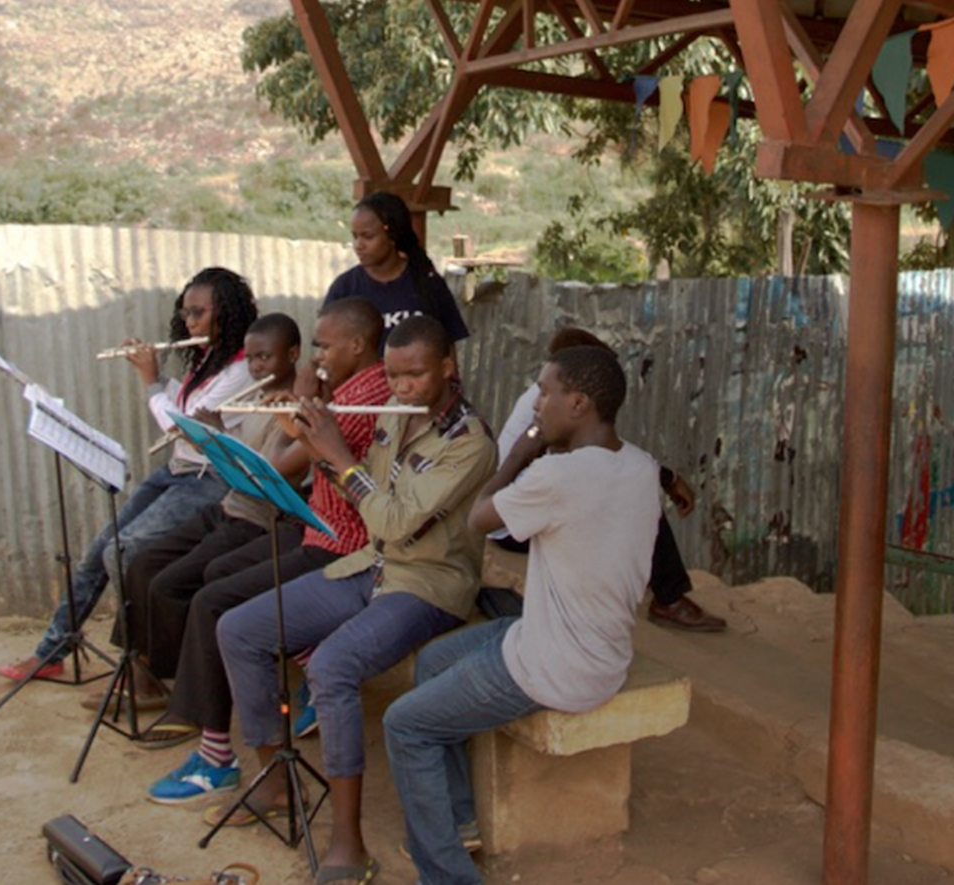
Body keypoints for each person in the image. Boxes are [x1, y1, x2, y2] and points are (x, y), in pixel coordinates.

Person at [210, 316, 495, 885]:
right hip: (373, 564)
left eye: (414, 375)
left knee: (335, 665)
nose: (402, 388)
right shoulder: (393, 411)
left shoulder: (472, 443)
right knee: (239, 629)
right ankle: (274, 777)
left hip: (429, 584)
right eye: (393, 376)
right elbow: (365, 497)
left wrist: (340, 454)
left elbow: (393, 518)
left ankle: (348, 841)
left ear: (447, 367)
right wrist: (313, 443)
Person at [384, 343, 662, 885]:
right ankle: (460, 817)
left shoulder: (555, 478)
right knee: (435, 661)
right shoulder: (640, 466)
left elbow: (479, 520)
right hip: (597, 647)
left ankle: (446, 877)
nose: (535, 405)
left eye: (545, 392)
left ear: (578, 403)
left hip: (555, 666)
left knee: (405, 725)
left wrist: (518, 455)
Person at [144, 298, 391, 784]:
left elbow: (282, 470)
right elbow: (301, 462)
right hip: (318, 529)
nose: (316, 356)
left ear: (358, 345)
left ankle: (217, 755)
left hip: (340, 545)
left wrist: (299, 403)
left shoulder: (356, 401)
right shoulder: (345, 391)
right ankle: (280, 676)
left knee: (216, 603)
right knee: (216, 581)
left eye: (322, 345)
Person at [0, 267, 258, 681]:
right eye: (185, 313)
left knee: (125, 552)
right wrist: (163, 380)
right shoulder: (211, 359)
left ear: (226, 313)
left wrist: (150, 380)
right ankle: (52, 651)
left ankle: (143, 669)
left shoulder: (244, 368)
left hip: (211, 478)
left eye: (198, 313)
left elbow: (182, 425)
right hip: (179, 468)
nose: (189, 322)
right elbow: (187, 404)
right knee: (98, 550)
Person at [94, 313, 303, 715]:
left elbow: (265, 477)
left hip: (256, 520)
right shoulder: (257, 398)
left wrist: (216, 440)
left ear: (292, 355)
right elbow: (243, 461)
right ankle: (140, 670)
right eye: (253, 359)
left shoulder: (293, 408)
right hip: (228, 510)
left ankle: (173, 680)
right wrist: (217, 431)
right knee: (138, 561)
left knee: (172, 584)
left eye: (266, 358)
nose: (257, 368)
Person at [490, 327, 723, 631]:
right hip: (512, 525)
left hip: (519, 512)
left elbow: (609, 455)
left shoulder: (551, 396)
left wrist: (666, 476)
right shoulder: (553, 404)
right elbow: (608, 459)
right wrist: (666, 478)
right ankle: (669, 599)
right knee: (636, 500)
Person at [323, 191, 470, 344]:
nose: (358, 245)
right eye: (355, 236)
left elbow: (447, 352)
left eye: (367, 236)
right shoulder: (345, 289)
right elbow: (325, 351)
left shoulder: (428, 283)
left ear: (392, 235)